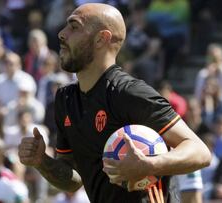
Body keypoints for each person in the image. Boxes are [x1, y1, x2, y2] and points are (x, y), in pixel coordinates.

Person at [18, 3, 211, 203]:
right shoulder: (65, 99)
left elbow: (200, 152)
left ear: (102, 38)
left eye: (74, 27)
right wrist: (42, 162)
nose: (61, 34)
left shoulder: (129, 93)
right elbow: (74, 181)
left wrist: (150, 165)